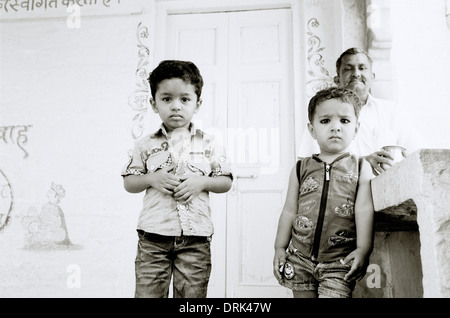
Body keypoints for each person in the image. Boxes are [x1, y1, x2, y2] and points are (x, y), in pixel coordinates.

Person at [121, 60, 233, 298]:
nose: (175, 106)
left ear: (197, 103)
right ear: (153, 104)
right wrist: (152, 178)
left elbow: (225, 181)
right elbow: (130, 183)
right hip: (153, 237)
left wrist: (202, 182)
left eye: (184, 99)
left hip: (196, 238)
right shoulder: (144, 145)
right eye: (166, 99)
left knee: (191, 300)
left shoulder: (210, 143)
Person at [273, 87, 374, 298]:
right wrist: (279, 248)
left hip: (340, 261)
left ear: (356, 129)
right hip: (299, 258)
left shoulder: (361, 167)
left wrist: (364, 249)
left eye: (344, 121)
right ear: (312, 130)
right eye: (326, 121)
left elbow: (364, 210)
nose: (335, 127)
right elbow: (289, 211)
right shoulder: (301, 168)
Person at [299, 47, 425, 175]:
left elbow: (419, 155)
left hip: (386, 191)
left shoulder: (393, 112)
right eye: (348, 69)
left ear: (372, 76)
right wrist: (362, 163)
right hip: (341, 192)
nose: (356, 74)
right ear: (337, 80)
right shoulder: (322, 115)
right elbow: (308, 163)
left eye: (362, 68)